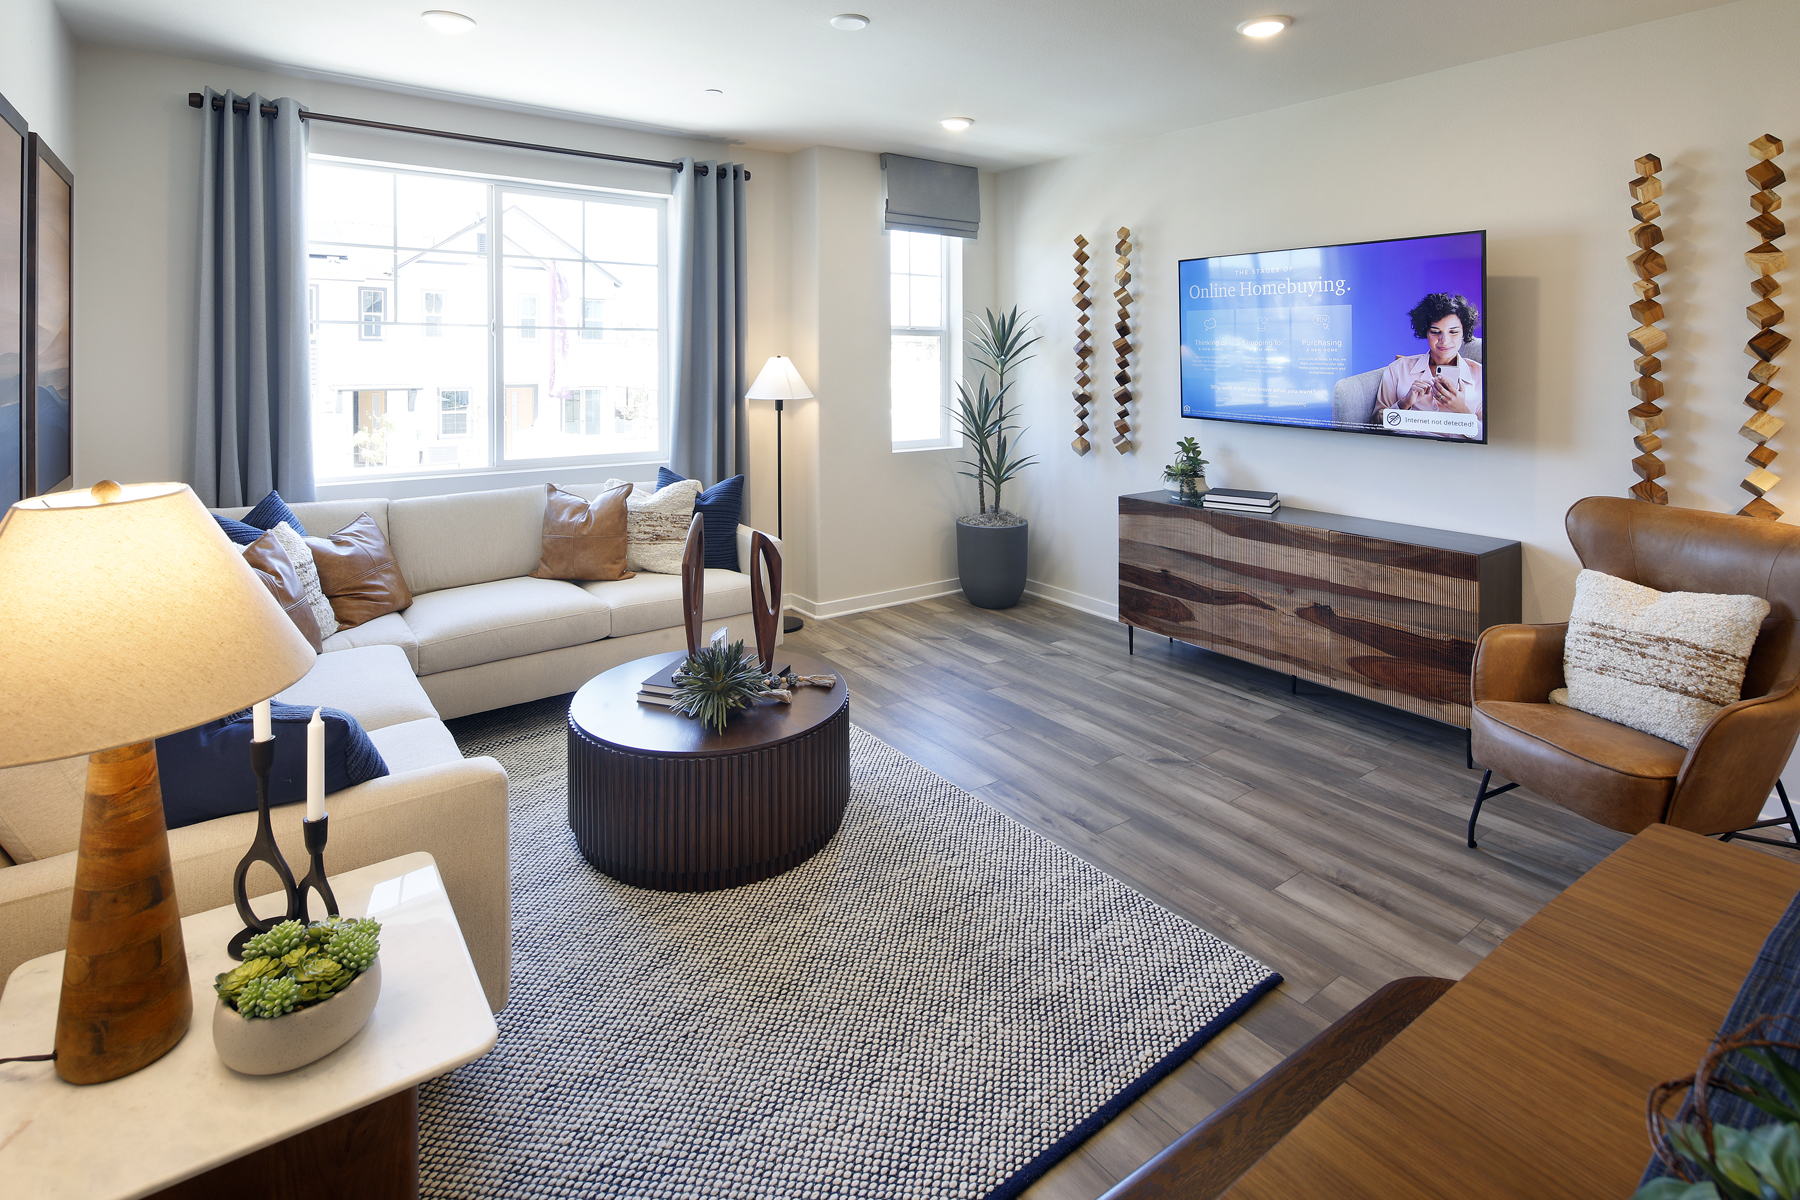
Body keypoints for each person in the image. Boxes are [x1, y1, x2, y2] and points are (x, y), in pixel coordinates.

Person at [1373, 293, 1483, 435]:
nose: (1444, 340)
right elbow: (1375, 423)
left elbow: (1488, 435)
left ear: (1464, 332)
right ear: (1425, 332)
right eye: (1435, 332)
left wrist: (1462, 410)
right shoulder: (1398, 369)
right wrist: (1404, 403)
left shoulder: (1480, 375)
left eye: (1454, 332)